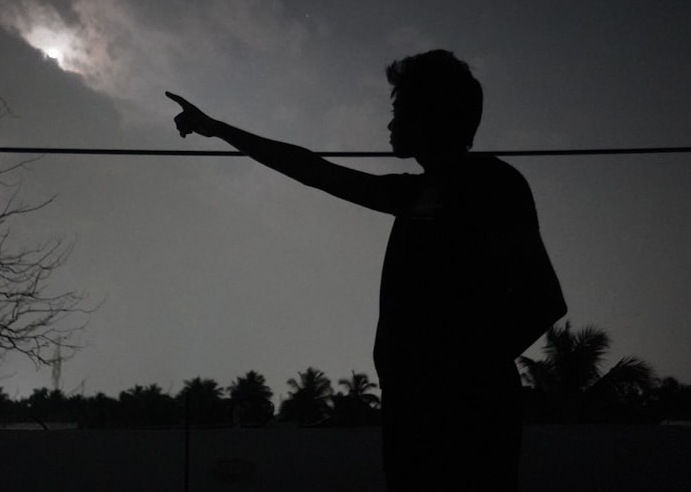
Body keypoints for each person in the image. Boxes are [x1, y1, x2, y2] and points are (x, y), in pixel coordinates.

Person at [167, 50, 567, 491]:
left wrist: (452, 379)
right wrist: (219, 129)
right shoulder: (415, 194)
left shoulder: (492, 184)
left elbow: (542, 298)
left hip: (462, 424)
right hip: (410, 417)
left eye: (399, 110)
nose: (390, 124)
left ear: (430, 114)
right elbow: (313, 170)